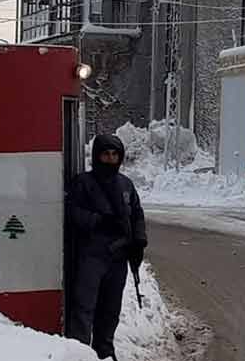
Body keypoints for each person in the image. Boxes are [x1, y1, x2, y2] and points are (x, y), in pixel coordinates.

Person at [65, 135, 147, 361]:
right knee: (84, 308)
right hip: (92, 256)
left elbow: (137, 214)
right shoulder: (84, 183)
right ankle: (79, 354)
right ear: (97, 156)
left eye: (114, 155)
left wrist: (139, 241)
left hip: (118, 259)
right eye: (105, 154)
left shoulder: (125, 184)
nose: (110, 159)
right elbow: (73, 212)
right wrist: (99, 221)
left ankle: (105, 353)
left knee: (110, 312)